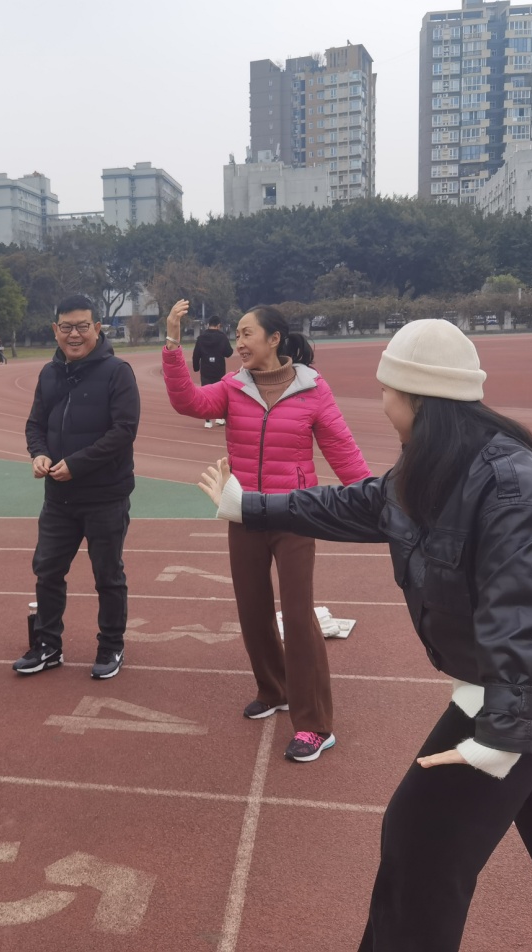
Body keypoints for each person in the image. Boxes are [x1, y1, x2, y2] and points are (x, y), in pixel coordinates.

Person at [197, 319, 532, 952]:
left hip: (524, 690)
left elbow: (522, 610)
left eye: (387, 391)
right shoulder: (431, 468)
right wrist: (249, 506)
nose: (382, 402)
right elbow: (355, 504)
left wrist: (500, 732)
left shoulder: (509, 482)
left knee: (420, 843)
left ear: (418, 399)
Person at [165, 300, 369, 762]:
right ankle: (274, 689)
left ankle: (315, 725)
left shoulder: (312, 388)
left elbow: (342, 449)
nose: (238, 343)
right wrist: (173, 344)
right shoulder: (233, 387)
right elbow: (188, 401)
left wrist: (372, 499)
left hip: (295, 515)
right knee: (252, 609)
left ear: (274, 339)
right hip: (244, 512)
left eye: (247, 334)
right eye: (236, 335)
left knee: (298, 617)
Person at [17, 294, 140, 681]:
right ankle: (47, 645)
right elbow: (35, 424)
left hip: (105, 496)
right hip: (59, 498)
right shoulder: (49, 373)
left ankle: (111, 645)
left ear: (97, 329)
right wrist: (39, 454)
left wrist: (77, 464)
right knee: (47, 571)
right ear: (55, 330)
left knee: (108, 575)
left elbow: (124, 431)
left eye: (83, 327)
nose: (74, 335)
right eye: (67, 327)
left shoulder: (118, 372)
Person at [190, 315, 233, 427]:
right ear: (218, 325)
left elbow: (196, 355)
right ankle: (220, 418)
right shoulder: (222, 337)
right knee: (220, 394)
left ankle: (208, 421)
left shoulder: (201, 338)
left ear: (208, 324)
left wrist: (196, 367)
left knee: (206, 394)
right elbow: (229, 353)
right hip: (219, 368)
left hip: (206, 369)